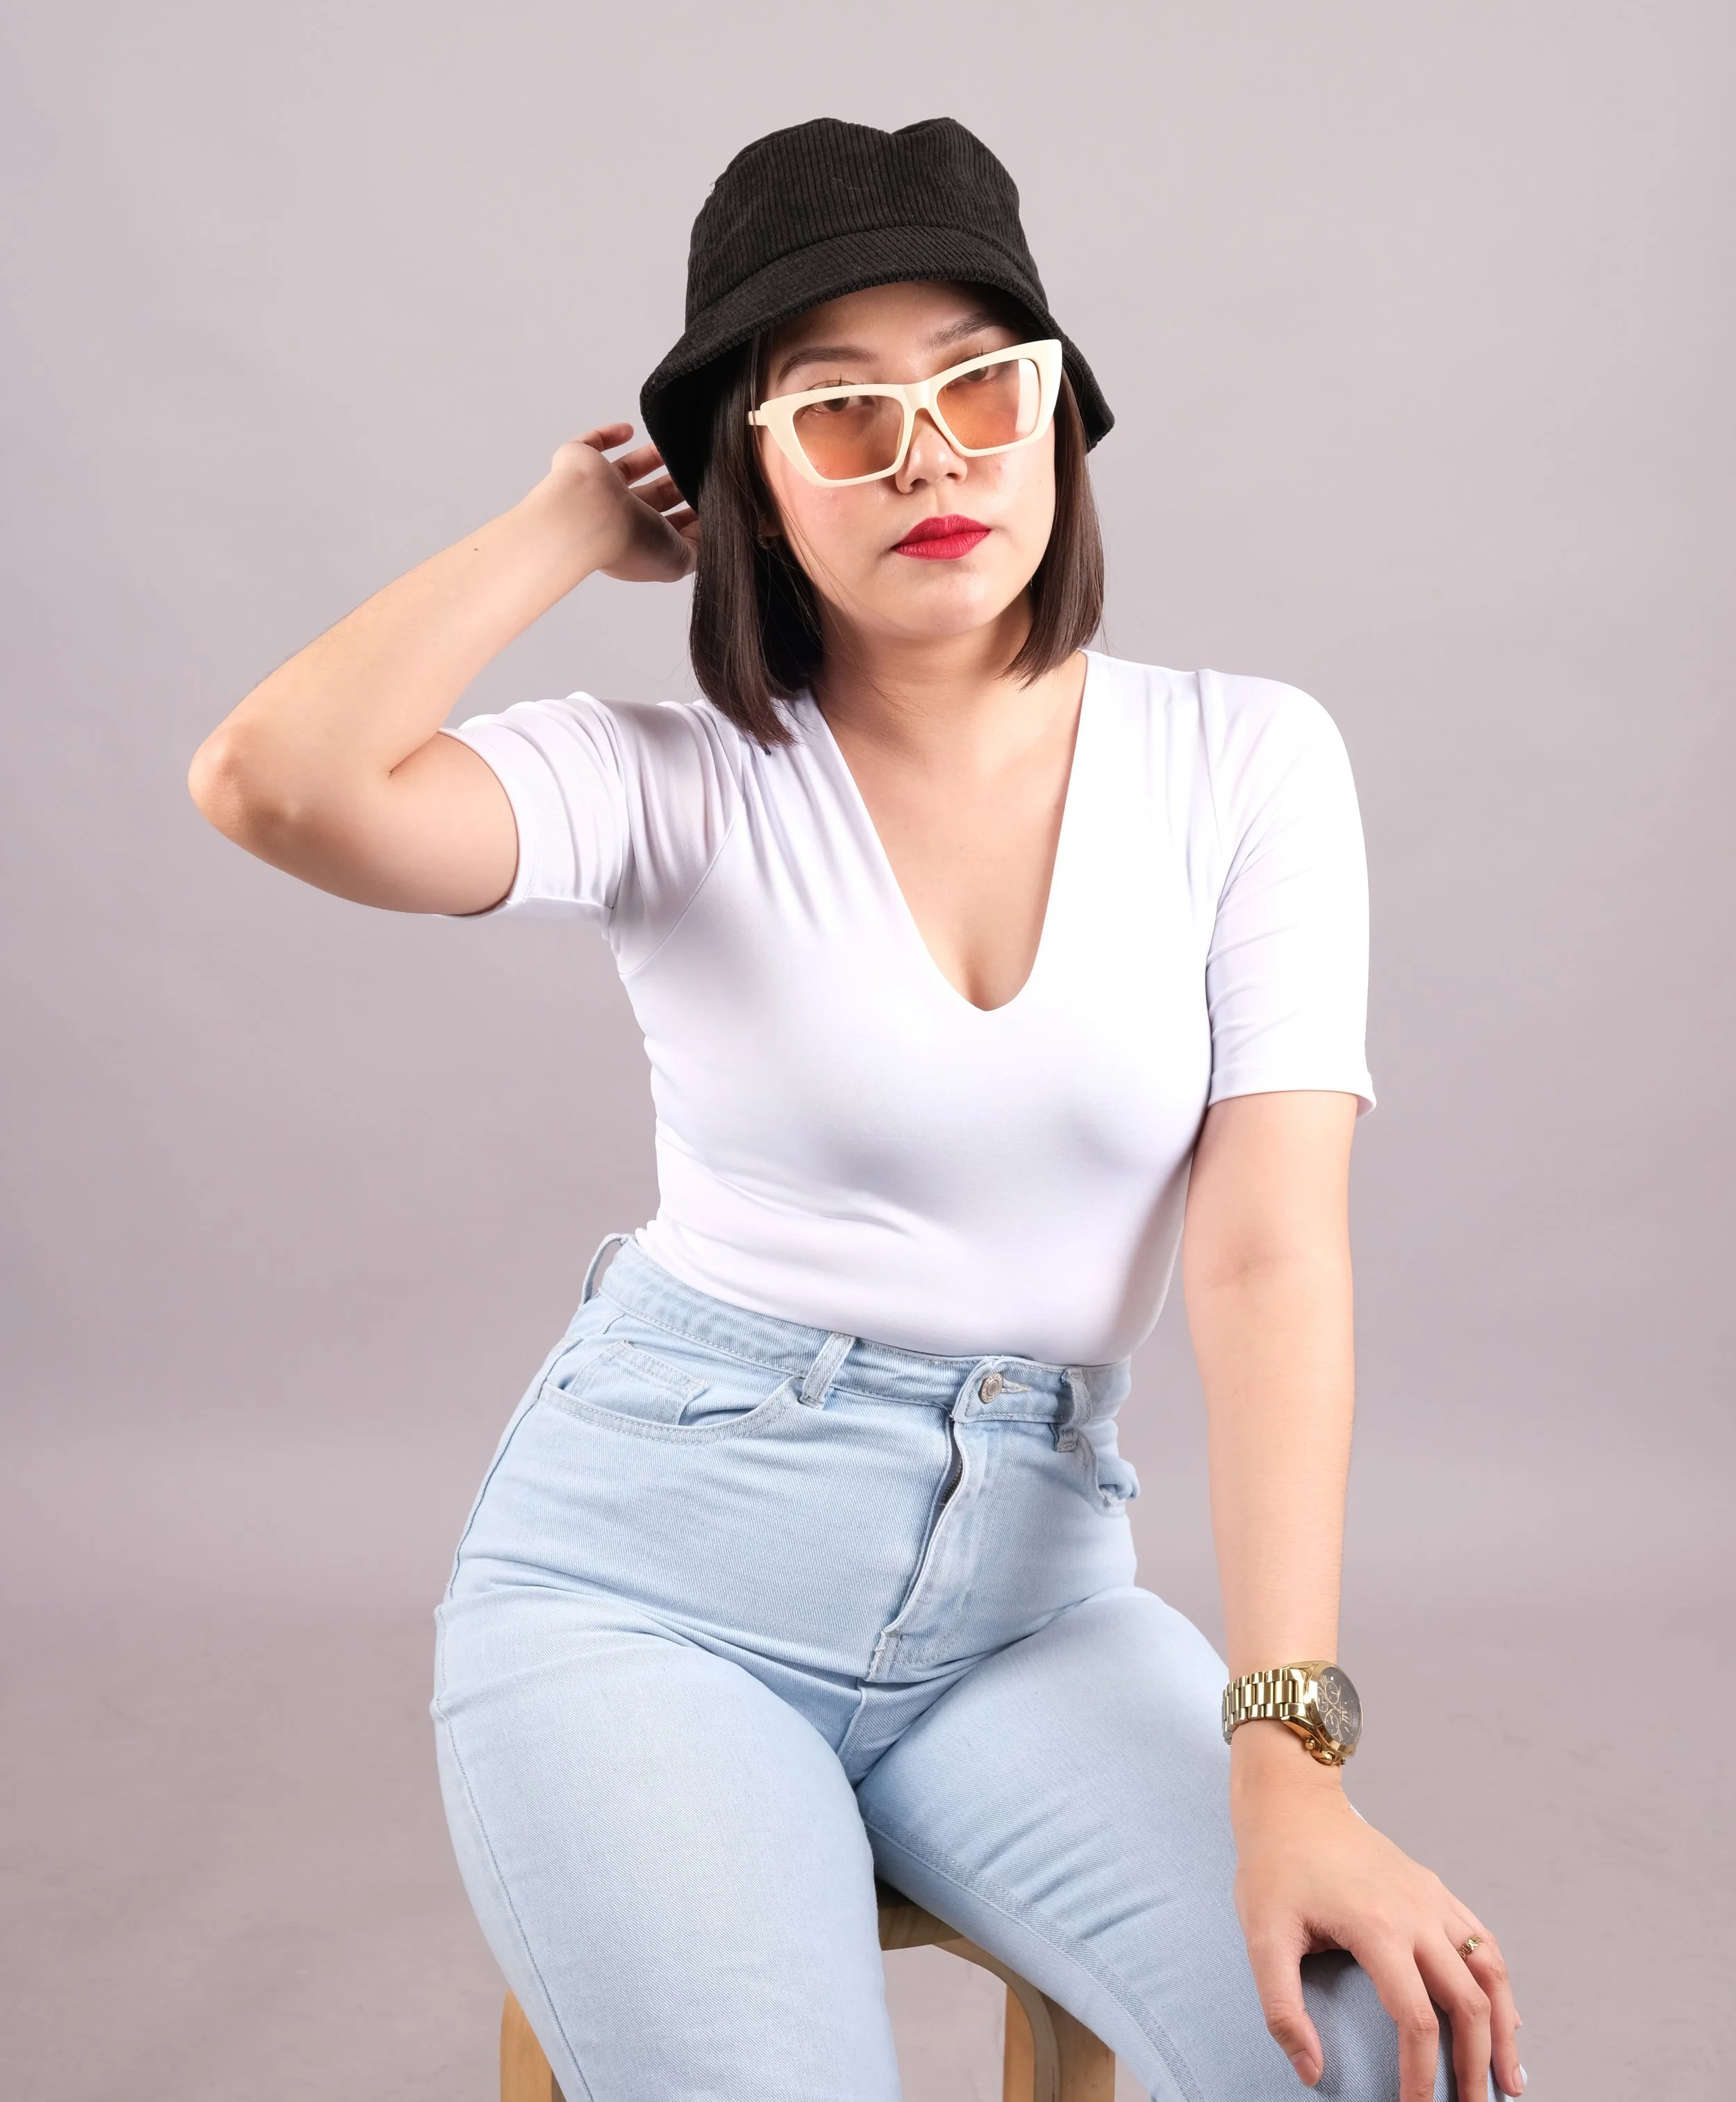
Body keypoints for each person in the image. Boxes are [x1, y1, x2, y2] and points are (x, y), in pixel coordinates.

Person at [189, 117, 1521, 2102]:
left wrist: (1287, 1754)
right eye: (838, 411)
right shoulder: (666, 780)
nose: (926, 456)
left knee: (1373, 2056)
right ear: (748, 478)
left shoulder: (1245, 761)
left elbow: (1268, 1258)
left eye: (980, 384)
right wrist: (566, 521)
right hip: (647, 1598)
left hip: (1030, 1612)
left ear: (1056, 419)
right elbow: (273, 781)